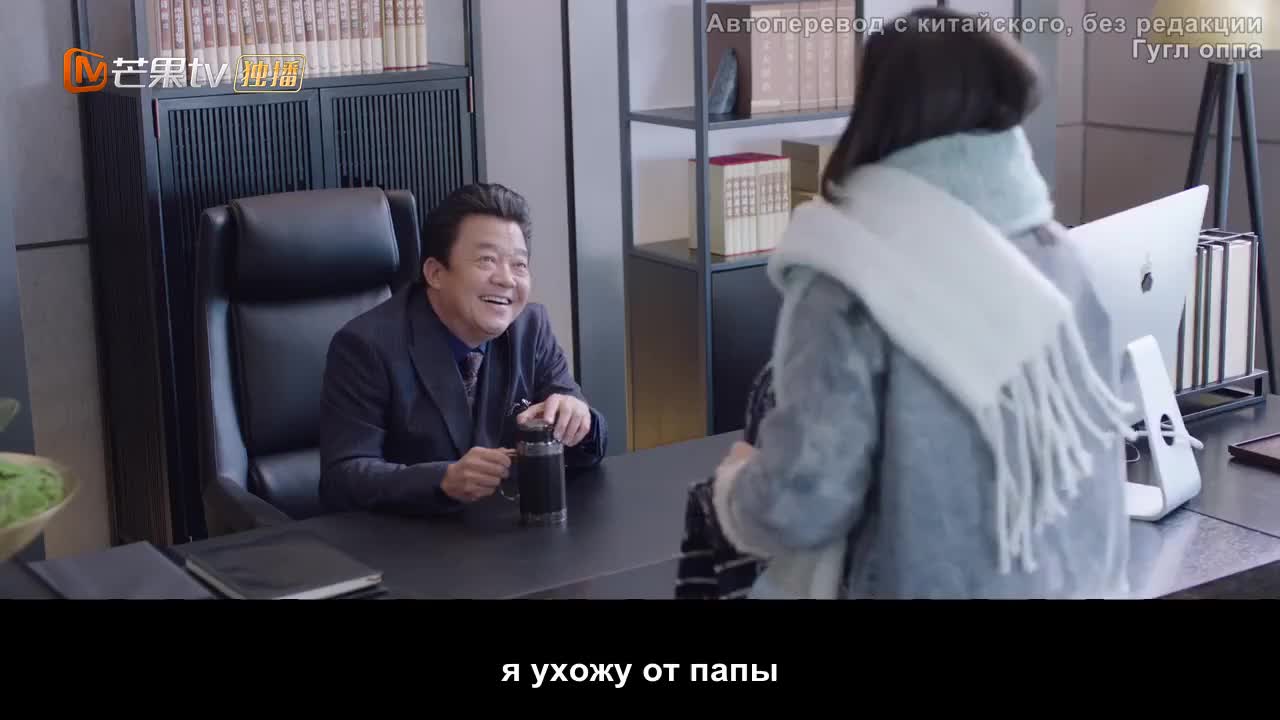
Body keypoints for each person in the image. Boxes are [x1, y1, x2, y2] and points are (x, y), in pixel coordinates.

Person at [707, 7, 1136, 599]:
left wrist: (735, 486)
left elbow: (804, 503)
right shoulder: (1059, 256)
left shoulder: (848, 271)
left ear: (877, 104)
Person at [319, 182, 607, 516]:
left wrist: (580, 422)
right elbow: (343, 479)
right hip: (409, 535)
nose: (507, 279)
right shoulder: (366, 346)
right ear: (436, 273)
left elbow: (586, 442)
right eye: (487, 260)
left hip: (508, 532)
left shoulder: (531, 328)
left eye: (519, 264)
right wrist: (442, 480)